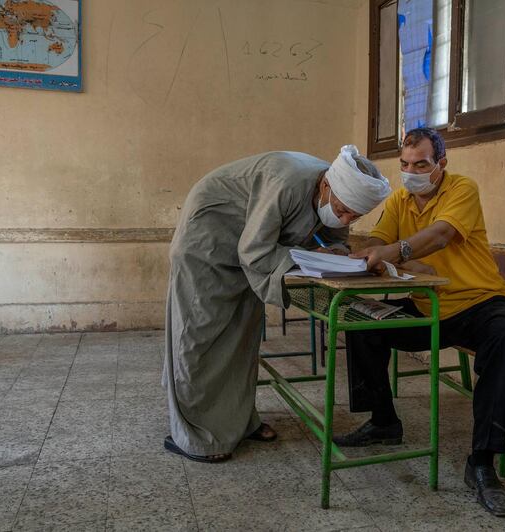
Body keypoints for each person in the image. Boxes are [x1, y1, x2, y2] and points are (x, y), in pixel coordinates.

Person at [334, 128, 505, 517]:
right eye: (405, 164)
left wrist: (397, 252)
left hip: (479, 302)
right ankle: (384, 422)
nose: (411, 172)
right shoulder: (400, 200)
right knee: (359, 323)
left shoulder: (462, 189)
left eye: (420, 164)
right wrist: (350, 250)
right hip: (429, 305)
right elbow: (378, 239)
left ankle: (482, 463)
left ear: (441, 164)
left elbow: (441, 236)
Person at [163, 145, 390, 463]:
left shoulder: (340, 192)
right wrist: (311, 257)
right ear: (326, 186)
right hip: (207, 243)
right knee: (200, 335)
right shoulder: (286, 183)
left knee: (241, 337)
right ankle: (195, 437)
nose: (346, 217)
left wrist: (340, 253)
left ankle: (238, 422)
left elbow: (335, 238)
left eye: (355, 215)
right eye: (343, 210)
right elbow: (254, 250)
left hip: (245, 252)